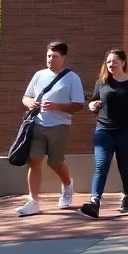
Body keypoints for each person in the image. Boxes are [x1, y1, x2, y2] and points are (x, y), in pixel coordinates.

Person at [16, 41, 86, 217]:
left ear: (63, 58)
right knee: (35, 160)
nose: (50, 60)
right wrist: (29, 102)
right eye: (48, 56)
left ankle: (68, 184)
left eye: (54, 57)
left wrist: (57, 106)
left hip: (59, 125)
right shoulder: (39, 75)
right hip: (37, 124)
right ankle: (33, 202)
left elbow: (78, 105)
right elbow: (26, 96)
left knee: (55, 161)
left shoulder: (72, 78)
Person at [80, 48, 128, 218]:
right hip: (104, 129)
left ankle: (126, 195)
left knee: (123, 165)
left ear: (123, 62)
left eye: (114, 61)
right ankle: (94, 202)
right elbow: (94, 101)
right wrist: (92, 106)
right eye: (108, 61)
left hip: (127, 130)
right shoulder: (102, 82)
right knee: (101, 164)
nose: (111, 64)